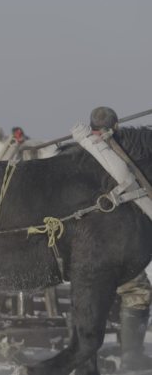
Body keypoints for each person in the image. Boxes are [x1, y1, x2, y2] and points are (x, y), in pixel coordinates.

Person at [89, 106, 152, 371]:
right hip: (113, 240)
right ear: (114, 126)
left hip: (81, 243)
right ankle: (132, 357)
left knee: (87, 296)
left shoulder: (82, 152)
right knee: (137, 290)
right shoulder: (123, 150)